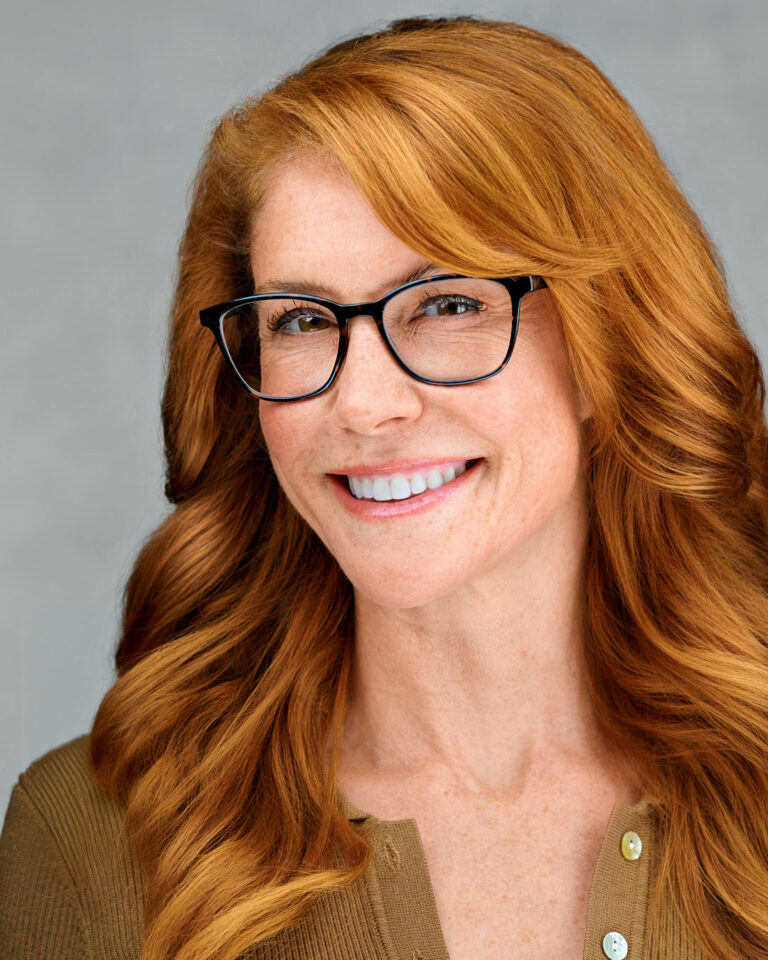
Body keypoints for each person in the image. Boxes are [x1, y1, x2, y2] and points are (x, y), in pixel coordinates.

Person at [2, 13, 767, 960]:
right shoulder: (100, 843)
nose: (363, 404)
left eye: (448, 303)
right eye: (300, 320)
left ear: (612, 336)